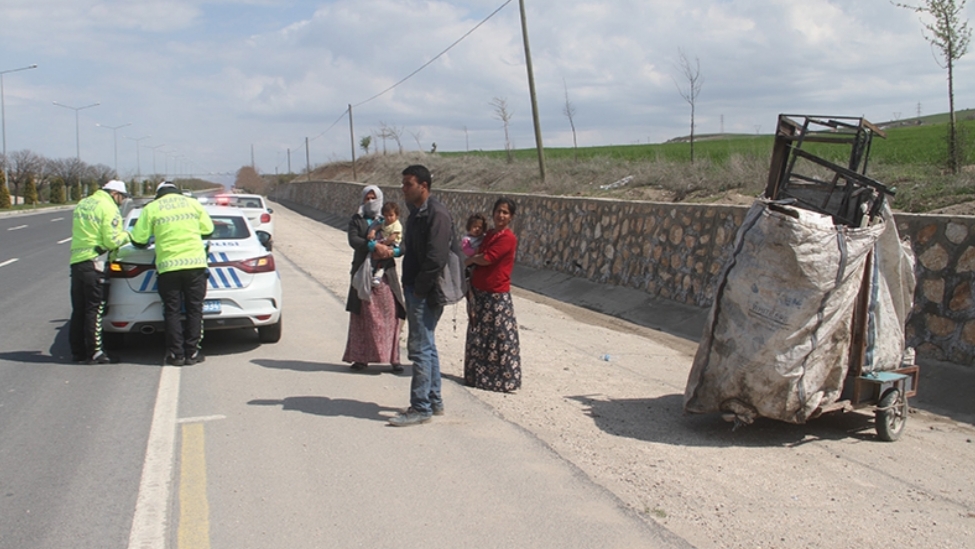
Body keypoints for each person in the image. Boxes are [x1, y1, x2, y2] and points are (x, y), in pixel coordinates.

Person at [380, 164, 453, 426]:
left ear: (423, 186)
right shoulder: (416, 214)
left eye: (408, 183)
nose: (403, 188)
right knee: (428, 346)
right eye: (403, 183)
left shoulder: (437, 214)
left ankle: (420, 407)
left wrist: (420, 289)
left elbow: (436, 258)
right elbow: (411, 248)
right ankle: (433, 401)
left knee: (419, 349)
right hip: (416, 287)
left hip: (425, 291)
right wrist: (393, 252)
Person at [130, 181, 214, 366]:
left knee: (172, 311)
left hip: (168, 268)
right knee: (195, 309)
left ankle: (176, 354)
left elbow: (138, 240)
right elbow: (208, 230)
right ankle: (192, 352)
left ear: (159, 193)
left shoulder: (152, 208)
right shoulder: (192, 203)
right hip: (195, 266)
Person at [342, 185, 406, 373]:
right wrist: (373, 247)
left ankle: (393, 358)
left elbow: (403, 245)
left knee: (391, 315)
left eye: (373, 198)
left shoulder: (388, 218)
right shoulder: (357, 220)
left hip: (386, 276)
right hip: (364, 273)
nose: (370, 202)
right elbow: (354, 240)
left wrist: (392, 251)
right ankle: (361, 358)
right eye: (367, 198)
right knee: (362, 316)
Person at [69, 180, 131, 364]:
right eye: (122, 197)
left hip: (77, 262)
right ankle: (95, 352)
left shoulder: (84, 203)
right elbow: (111, 241)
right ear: (114, 193)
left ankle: (78, 352)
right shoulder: (109, 208)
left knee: (78, 310)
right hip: (95, 263)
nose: (123, 201)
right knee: (94, 310)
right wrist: (127, 235)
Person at [464, 197, 522, 392]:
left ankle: (502, 379)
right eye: (499, 211)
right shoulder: (489, 234)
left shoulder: (508, 238)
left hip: (496, 295)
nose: (501, 215)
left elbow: (488, 258)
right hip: (479, 292)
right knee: (479, 335)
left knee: (499, 338)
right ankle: (478, 377)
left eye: (505, 212)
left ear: (511, 217)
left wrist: (469, 260)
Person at [367, 201, 403, 288]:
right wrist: (373, 231)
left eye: (391, 215)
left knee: (384, 257)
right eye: (386, 215)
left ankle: (378, 275)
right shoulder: (384, 223)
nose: (388, 218)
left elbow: (393, 237)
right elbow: (378, 227)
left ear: (396, 215)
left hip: (392, 244)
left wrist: (384, 243)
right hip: (383, 242)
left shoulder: (396, 225)